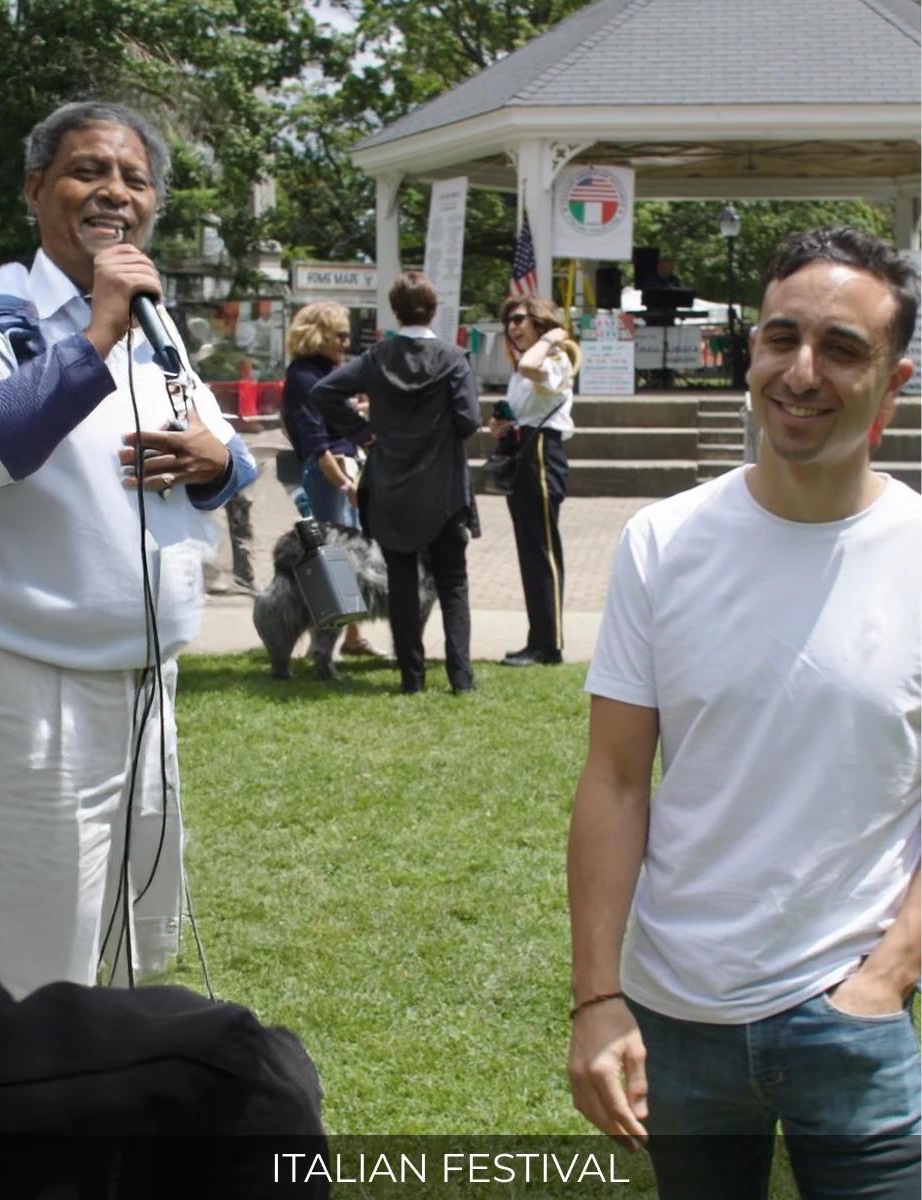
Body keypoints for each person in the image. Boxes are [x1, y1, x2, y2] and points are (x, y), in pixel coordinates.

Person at [567, 226, 921, 1198]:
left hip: (851, 1020)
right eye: (780, 337)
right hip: (673, 1019)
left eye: (841, 348)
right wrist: (595, 998)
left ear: (892, 385)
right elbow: (614, 781)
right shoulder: (661, 542)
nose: (800, 372)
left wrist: (887, 975)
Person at [0, 101, 257, 1000]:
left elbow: (228, 450)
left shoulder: (154, 322)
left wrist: (215, 460)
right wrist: (94, 335)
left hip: (148, 688)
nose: (114, 192)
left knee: (128, 945)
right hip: (32, 690)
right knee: (32, 964)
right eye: (87, 171)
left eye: (134, 180)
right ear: (35, 189)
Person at [311, 271, 481, 694]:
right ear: (434, 309)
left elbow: (323, 392)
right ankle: (461, 678)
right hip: (443, 487)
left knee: (402, 583)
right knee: (453, 583)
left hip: (392, 485)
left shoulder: (378, 357)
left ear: (395, 310)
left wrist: (363, 432)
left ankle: (412, 678)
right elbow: (468, 421)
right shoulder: (454, 358)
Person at [281, 300, 382, 659]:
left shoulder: (331, 372)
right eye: (339, 335)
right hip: (329, 475)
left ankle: (351, 638)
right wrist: (345, 485)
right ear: (318, 335)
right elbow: (316, 445)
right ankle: (322, 643)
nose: (345, 343)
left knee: (349, 557)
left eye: (347, 336)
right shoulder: (303, 377)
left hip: (345, 469)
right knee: (333, 560)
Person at [490, 294, 577, 667]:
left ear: (540, 322)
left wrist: (551, 338)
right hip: (523, 452)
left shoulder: (554, 359)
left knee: (542, 551)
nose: (513, 327)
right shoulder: (522, 366)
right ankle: (537, 639)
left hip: (542, 453)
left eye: (520, 319)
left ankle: (549, 645)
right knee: (530, 551)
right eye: (508, 321)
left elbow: (531, 368)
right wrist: (499, 426)